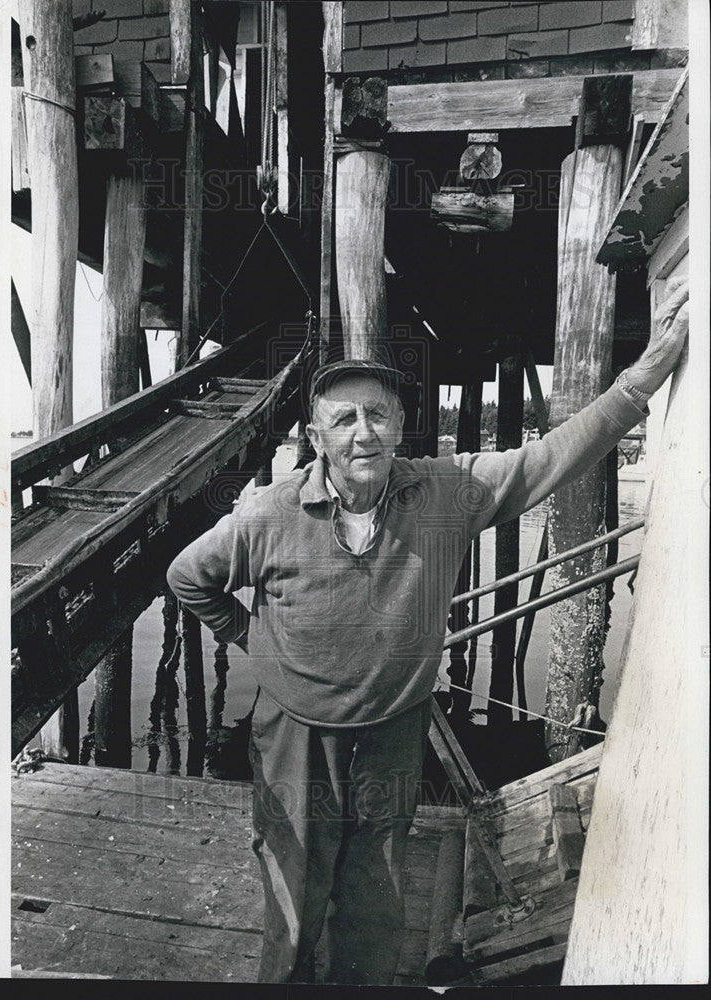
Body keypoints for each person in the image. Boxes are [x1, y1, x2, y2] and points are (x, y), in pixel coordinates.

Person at [167, 280, 688, 985]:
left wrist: (637, 384)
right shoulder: (267, 514)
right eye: (343, 418)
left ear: (401, 424)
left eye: (377, 415)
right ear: (313, 437)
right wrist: (249, 638)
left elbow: (547, 458)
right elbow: (187, 576)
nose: (363, 431)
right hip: (295, 733)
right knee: (293, 885)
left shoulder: (444, 492)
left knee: (377, 886)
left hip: (393, 726)